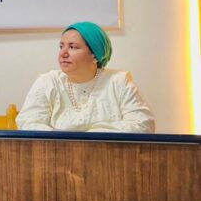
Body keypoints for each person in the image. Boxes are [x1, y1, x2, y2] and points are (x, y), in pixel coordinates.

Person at [16, 21, 155, 132]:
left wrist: (92, 137)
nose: (63, 53)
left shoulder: (119, 81)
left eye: (73, 47)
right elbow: (28, 123)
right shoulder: (48, 81)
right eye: (61, 46)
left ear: (95, 54)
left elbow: (144, 124)